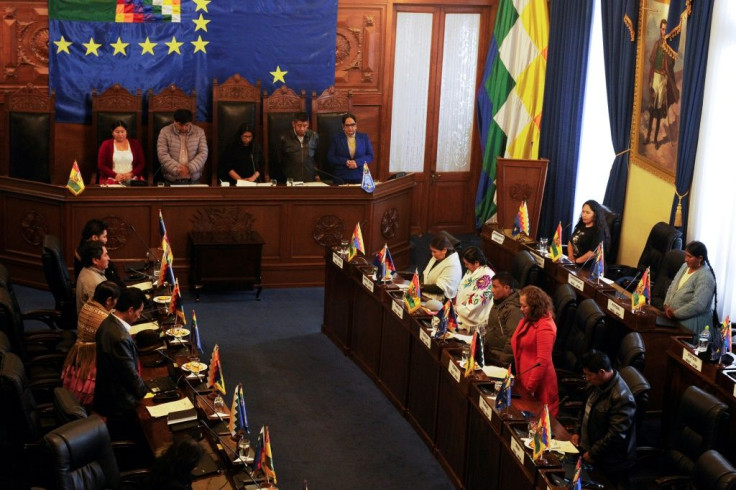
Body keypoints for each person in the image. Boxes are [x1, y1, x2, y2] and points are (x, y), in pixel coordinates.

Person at [570, 350, 636, 489]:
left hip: (608, 460)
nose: (586, 378)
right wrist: (577, 431)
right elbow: (584, 408)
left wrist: (594, 453)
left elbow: (616, 434)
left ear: (601, 372)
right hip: (588, 449)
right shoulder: (594, 383)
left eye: (589, 375)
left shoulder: (621, 397)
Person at [94, 287, 149, 440]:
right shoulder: (119, 338)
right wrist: (149, 393)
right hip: (120, 405)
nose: (140, 316)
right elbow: (129, 375)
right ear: (130, 310)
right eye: (139, 312)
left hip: (108, 394)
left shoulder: (108, 322)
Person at [61, 281, 120, 406]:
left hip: (78, 358)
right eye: (116, 300)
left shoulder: (89, 305)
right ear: (109, 300)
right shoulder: (104, 320)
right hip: (91, 362)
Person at [511, 285, 559, 416]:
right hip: (524, 377)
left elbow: (542, 361)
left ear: (535, 306)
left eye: (524, 306)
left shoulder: (546, 327)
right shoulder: (528, 320)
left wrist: (529, 389)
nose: (521, 309)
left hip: (538, 385)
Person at [664, 240, 717, 338]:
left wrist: (675, 313)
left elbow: (698, 305)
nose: (685, 259)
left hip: (692, 323)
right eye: (685, 255)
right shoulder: (685, 266)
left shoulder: (706, 277)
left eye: (689, 256)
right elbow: (673, 285)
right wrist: (667, 304)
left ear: (700, 258)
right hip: (673, 317)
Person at [645, 19, 679, 150]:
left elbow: (670, 66)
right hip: (655, 78)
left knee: (659, 110)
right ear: (660, 29)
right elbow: (653, 64)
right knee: (652, 109)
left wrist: (665, 79)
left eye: (666, 29)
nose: (664, 31)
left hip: (663, 80)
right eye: (662, 29)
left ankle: (655, 139)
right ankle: (648, 137)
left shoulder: (669, 48)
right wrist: (650, 80)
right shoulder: (656, 45)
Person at [157, 108, 208, 184]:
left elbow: (203, 153)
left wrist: (189, 168)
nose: (184, 128)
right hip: (171, 179)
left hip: (193, 178)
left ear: (190, 122)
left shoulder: (199, 132)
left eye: (187, 125)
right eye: (180, 125)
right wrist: (178, 169)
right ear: (174, 122)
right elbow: (162, 154)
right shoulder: (165, 132)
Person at [484, 271, 524, 367]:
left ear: (506, 288)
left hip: (499, 360)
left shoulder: (514, 310)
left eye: (495, 287)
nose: (492, 290)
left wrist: (502, 364)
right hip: (490, 353)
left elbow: (512, 340)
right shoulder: (499, 301)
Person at [326, 113, 374, 183]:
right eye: (347, 125)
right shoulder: (336, 139)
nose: (350, 128)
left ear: (356, 125)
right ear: (343, 126)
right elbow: (330, 157)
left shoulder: (364, 137)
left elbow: (370, 156)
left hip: (360, 175)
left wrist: (357, 162)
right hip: (341, 176)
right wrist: (345, 161)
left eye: (352, 125)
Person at [455, 246, 494, 332]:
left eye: (467, 264)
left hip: (474, 320)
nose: (465, 266)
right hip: (461, 311)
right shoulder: (472, 270)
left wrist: (458, 309)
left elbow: (477, 304)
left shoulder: (486, 278)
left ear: (476, 263)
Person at [73, 218, 122, 284]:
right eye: (104, 237)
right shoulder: (89, 255)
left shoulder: (84, 248)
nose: (106, 240)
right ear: (94, 238)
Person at [97, 120, 146, 184]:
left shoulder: (135, 144)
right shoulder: (106, 144)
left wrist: (131, 174)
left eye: (122, 132)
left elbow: (141, 163)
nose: (120, 134)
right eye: (117, 132)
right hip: (111, 178)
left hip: (132, 178)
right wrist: (115, 175)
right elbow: (101, 165)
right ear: (112, 132)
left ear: (126, 132)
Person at [276, 111, 319, 182]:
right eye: (299, 125)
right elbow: (279, 160)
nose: (302, 128)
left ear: (308, 124)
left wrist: (317, 175)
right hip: (291, 178)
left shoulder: (314, 136)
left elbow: (318, 157)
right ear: (293, 124)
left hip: (310, 178)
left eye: (305, 125)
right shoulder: (284, 138)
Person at [568, 199, 610, 266]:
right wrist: (571, 257)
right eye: (583, 212)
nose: (584, 215)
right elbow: (571, 241)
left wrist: (577, 261)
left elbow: (594, 253)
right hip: (574, 263)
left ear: (595, 215)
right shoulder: (580, 226)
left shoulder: (598, 231)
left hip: (588, 267)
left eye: (588, 212)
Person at [421, 235, 462, 302]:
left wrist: (421, 287)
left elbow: (440, 289)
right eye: (431, 251)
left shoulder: (452, 264)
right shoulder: (437, 256)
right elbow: (425, 273)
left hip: (440, 302)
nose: (432, 254)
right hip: (426, 295)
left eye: (434, 251)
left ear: (444, 250)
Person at [76, 241, 110, 313]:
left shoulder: (88, 269)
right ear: (95, 260)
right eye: (105, 255)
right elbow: (103, 313)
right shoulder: (95, 283)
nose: (108, 258)